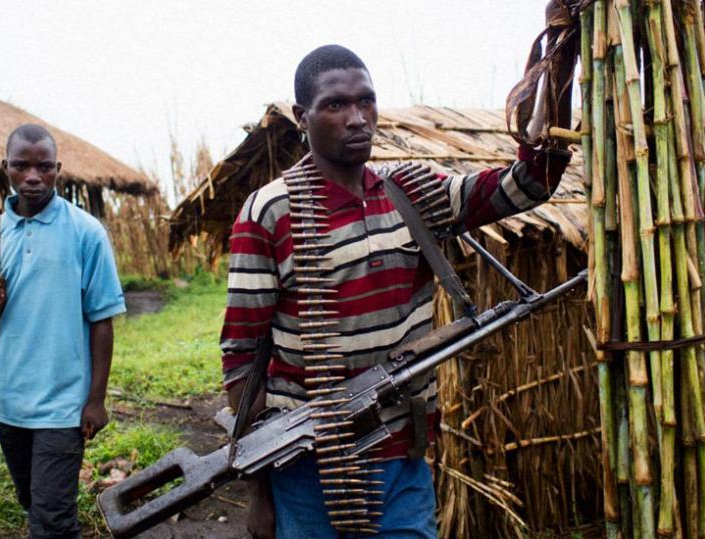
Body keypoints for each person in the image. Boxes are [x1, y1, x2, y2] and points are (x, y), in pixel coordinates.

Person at [220, 45, 571, 538]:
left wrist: (561, 58)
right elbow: (242, 358)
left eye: (366, 101)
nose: (357, 118)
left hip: (402, 458)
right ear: (302, 117)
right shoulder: (269, 212)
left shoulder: (410, 193)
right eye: (336, 105)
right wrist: (260, 493)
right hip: (308, 467)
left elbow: (530, 183)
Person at [0, 124, 126, 539]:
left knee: (54, 519)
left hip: (63, 403)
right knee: (32, 500)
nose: (32, 177)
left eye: (43, 167)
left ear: (58, 169)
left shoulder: (85, 232)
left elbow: (102, 320)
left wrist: (96, 399)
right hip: (7, 399)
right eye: (21, 166)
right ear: (5, 167)